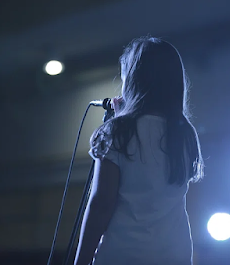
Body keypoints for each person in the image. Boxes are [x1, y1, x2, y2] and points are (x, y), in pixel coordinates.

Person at [74, 36, 204, 265]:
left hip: (124, 255)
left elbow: (101, 204)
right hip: (175, 255)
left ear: (133, 81)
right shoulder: (184, 134)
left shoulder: (117, 132)